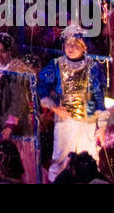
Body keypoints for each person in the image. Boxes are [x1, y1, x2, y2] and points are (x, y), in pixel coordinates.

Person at [36, 24, 108, 182]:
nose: (71, 47)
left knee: (88, 158)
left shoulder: (93, 67)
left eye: (75, 44)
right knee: (60, 159)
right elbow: (41, 88)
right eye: (68, 44)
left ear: (84, 46)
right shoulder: (56, 65)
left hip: (88, 118)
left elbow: (99, 97)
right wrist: (54, 107)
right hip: (65, 119)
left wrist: (101, 126)